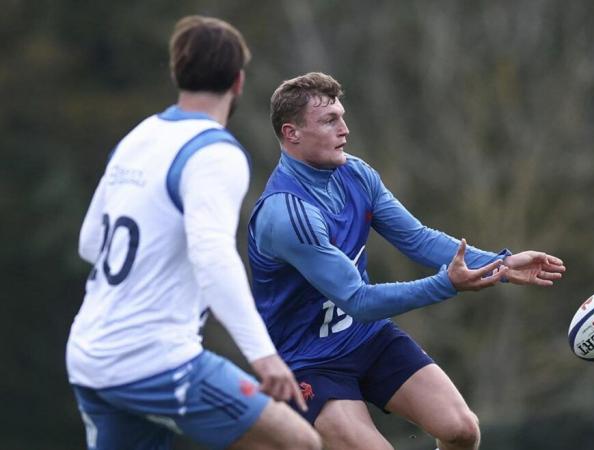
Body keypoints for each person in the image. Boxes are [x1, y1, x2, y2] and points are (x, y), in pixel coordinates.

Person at [247, 72, 566, 450]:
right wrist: (446, 284)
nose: (345, 130)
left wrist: (504, 265)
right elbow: (358, 300)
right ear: (292, 133)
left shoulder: (356, 174)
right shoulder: (286, 214)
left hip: (365, 337)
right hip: (309, 361)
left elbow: (417, 239)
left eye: (342, 116)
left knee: (461, 429)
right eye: (329, 121)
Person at [65, 17, 321, 450]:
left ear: (176, 73)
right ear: (238, 82)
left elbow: (91, 243)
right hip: (154, 361)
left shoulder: (138, 138)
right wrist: (264, 356)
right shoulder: (214, 152)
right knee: (298, 443)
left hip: (90, 355)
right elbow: (213, 258)